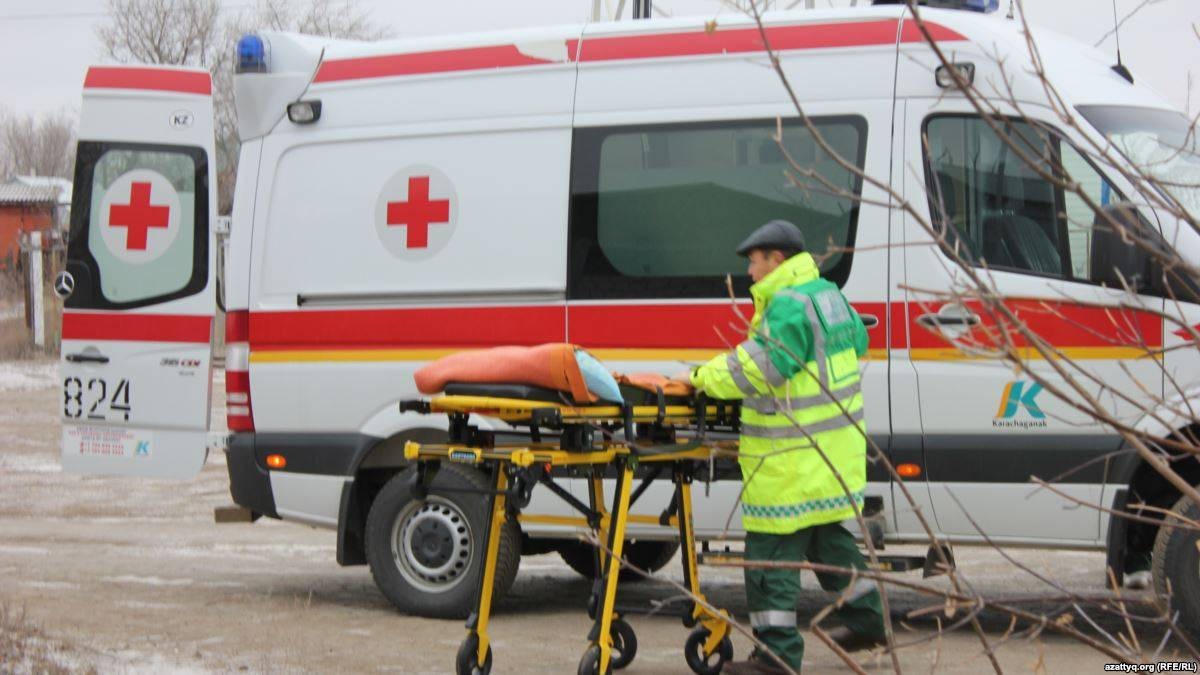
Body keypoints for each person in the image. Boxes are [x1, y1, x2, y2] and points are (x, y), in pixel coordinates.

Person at [679, 220, 885, 674]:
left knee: (769, 559)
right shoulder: (828, 296)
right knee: (830, 546)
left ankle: (776, 657)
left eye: (754, 262)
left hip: (791, 464)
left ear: (776, 259)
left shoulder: (788, 306)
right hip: (833, 456)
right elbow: (860, 340)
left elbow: (755, 370)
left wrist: (699, 378)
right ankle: (871, 622)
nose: (750, 272)